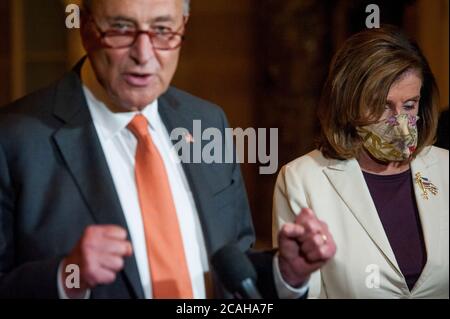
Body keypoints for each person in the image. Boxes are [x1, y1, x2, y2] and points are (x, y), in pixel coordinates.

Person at [0, 0, 335, 299]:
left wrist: (285, 273)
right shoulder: (15, 139)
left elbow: (233, 263)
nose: (144, 54)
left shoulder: (207, 122)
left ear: (182, 28)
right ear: (87, 28)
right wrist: (66, 277)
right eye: (121, 28)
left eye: (162, 30)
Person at [273, 26, 448, 298]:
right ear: (348, 104)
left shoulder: (445, 168)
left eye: (409, 106)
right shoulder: (303, 179)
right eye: (382, 106)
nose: (400, 125)